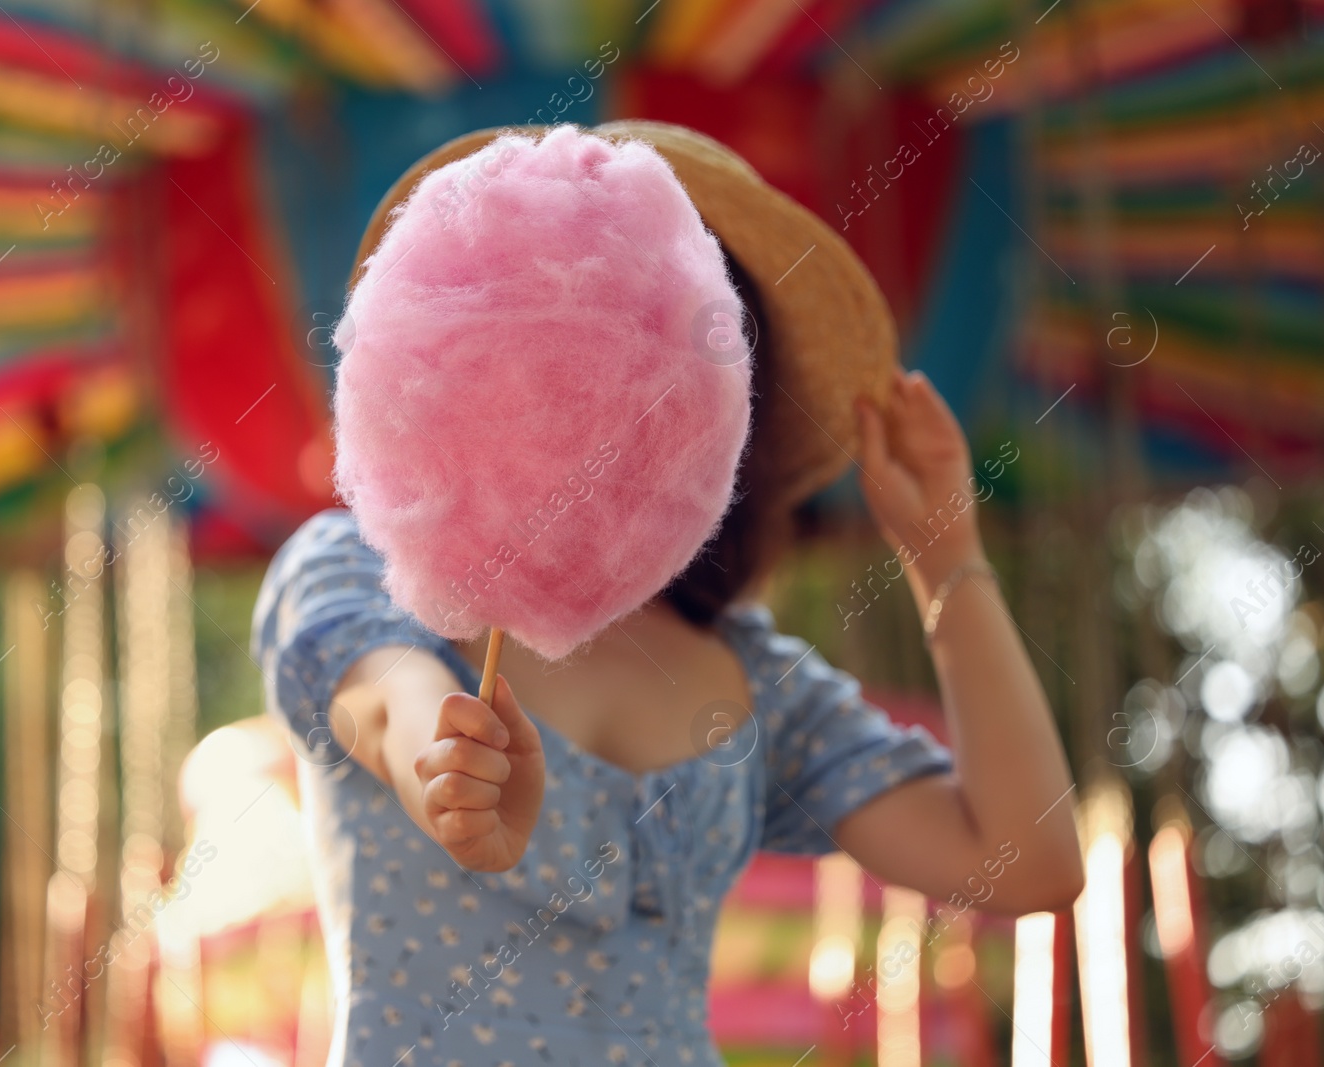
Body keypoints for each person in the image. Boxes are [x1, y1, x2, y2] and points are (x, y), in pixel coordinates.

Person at [251, 122, 1083, 1067]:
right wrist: (440, 767)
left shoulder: (764, 686)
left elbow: (1030, 861)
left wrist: (946, 554)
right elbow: (380, 699)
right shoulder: (356, 573)